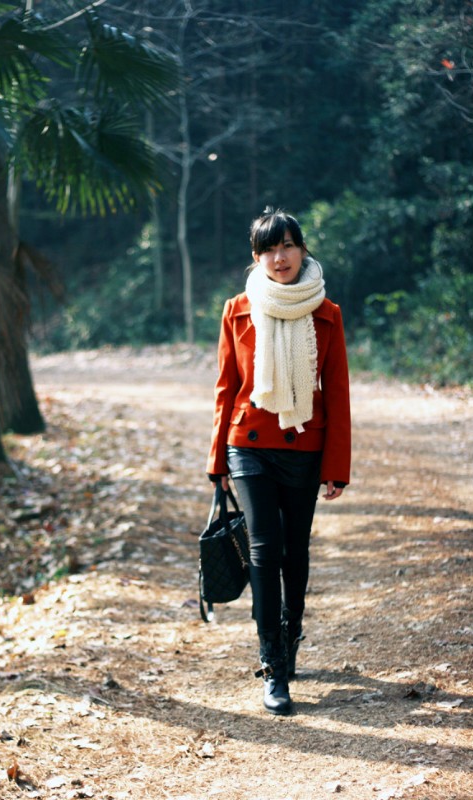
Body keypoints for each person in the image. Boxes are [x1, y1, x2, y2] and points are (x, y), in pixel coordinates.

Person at [206, 207, 351, 716]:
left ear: (303, 249)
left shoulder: (327, 313)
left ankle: (290, 637)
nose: (279, 257)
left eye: (287, 245)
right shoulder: (237, 309)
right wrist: (216, 460)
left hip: (305, 446)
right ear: (256, 257)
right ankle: (272, 663)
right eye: (268, 249)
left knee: (295, 552)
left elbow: (337, 395)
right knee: (265, 549)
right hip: (248, 442)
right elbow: (227, 386)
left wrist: (336, 466)